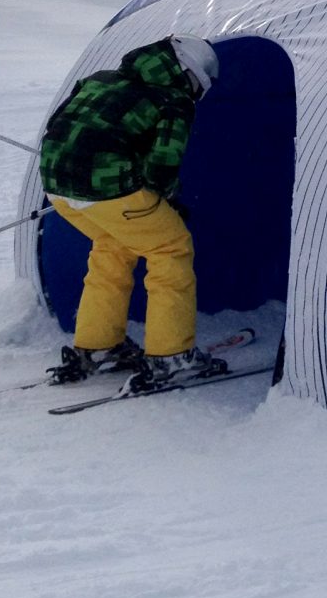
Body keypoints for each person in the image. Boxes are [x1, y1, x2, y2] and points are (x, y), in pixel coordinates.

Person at [38, 34, 224, 390]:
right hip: (110, 189)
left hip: (56, 187)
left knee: (113, 246)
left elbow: (58, 125)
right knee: (169, 248)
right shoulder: (173, 100)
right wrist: (166, 195)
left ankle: (99, 346)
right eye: (197, 86)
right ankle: (172, 356)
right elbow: (163, 165)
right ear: (187, 74)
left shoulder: (100, 79)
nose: (195, 94)